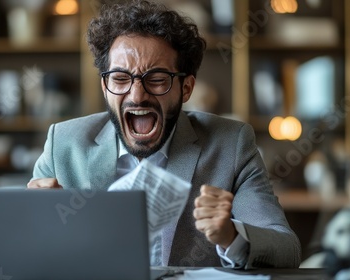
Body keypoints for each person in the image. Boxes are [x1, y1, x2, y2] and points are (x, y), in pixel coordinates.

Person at [28, 0, 301, 269]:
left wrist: (231, 236)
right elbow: (24, 254)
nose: (137, 96)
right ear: (104, 86)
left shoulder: (231, 144)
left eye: (157, 79)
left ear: (186, 88)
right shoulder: (63, 143)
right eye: (121, 79)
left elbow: (286, 248)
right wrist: (35, 227)